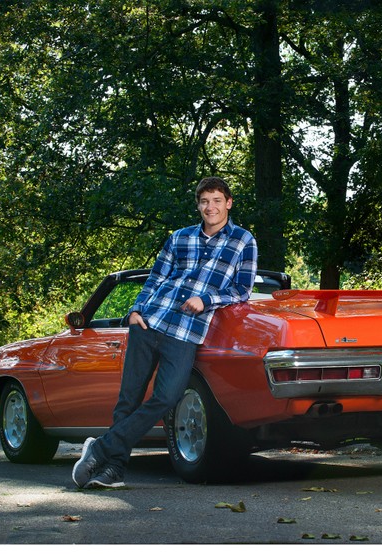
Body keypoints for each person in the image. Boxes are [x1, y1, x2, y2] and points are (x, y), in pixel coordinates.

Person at [72, 177, 258, 488]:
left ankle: (100, 448)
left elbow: (242, 289)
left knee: (168, 396)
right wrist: (135, 310)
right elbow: (156, 278)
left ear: (228, 203)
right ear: (198, 205)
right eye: (204, 201)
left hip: (185, 332)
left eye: (216, 200)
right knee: (128, 399)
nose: (210, 207)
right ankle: (113, 470)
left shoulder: (242, 240)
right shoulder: (180, 237)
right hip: (150, 322)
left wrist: (207, 299)